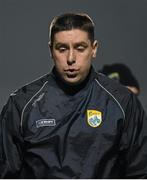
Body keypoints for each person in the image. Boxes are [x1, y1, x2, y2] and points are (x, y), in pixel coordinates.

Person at [0, 12, 147, 179]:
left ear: (94, 49)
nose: (71, 58)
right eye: (62, 49)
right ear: (51, 50)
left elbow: (140, 172)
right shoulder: (21, 104)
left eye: (80, 48)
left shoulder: (122, 102)